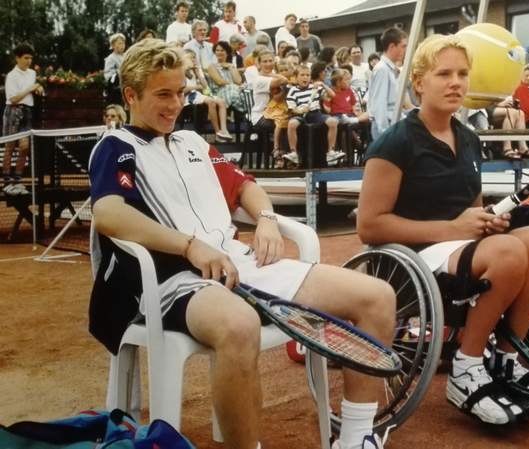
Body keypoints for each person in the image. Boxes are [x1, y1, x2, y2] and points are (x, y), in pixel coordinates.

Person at [88, 38, 396, 449]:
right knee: (239, 325)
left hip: (238, 262)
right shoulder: (117, 148)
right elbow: (108, 212)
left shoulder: (194, 143)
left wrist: (266, 219)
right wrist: (189, 246)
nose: (175, 104)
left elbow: (245, 186)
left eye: (180, 92)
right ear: (130, 94)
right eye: (163, 94)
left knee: (377, 296)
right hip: (173, 279)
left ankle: (357, 438)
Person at [357, 34, 529, 426]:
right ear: (419, 82)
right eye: (443, 73)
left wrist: (486, 220)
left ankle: (505, 359)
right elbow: (369, 226)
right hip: (407, 257)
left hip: (459, 246)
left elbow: (471, 205)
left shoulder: (468, 138)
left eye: (463, 74)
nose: (456, 82)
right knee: (509, 252)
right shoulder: (394, 143)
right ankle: (466, 369)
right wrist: (453, 227)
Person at [2, 42, 43, 195]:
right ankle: (7, 181)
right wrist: (30, 89)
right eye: (25, 58)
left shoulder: (32, 73)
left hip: (27, 112)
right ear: (17, 58)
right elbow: (13, 99)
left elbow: (32, 92)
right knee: (10, 147)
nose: (28, 61)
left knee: (25, 147)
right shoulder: (11, 76)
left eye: (30, 58)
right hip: (13, 112)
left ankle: (18, 180)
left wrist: (38, 88)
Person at [284, 64, 344, 167]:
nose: (305, 77)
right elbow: (292, 108)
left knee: (333, 122)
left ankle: (330, 152)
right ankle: (293, 152)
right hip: (300, 115)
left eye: (307, 75)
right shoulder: (292, 91)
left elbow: (332, 96)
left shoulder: (315, 88)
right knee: (292, 124)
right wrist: (301, 110)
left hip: (315, 113)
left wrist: (323, 85)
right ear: (296, 77)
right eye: (302, 75)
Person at [367, 27, 407, 140]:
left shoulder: (389, 69)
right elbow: (379, 103)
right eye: (403, 46)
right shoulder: (382, 69)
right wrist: (385, 133)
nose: (405, 50)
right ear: (392, 46)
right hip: (387, 128)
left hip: (393, 124)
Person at [184, 49, 234, 141]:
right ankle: (217, 132)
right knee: (211, 102)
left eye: (195, 58)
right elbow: (182, 90)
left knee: (221, 101)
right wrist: (196, 86)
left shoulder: (196, 70)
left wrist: (198, 73)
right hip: (187, 97)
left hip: (198, 94)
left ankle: (224, 130)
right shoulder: (181, 71)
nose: (194, 60)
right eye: (191, 58)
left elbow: (205, 88)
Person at [206, 41, 246, 113]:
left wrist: (231, 67)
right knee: (233, 89)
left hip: (234, 90)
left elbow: (238, 81)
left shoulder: (230, 65)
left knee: (241, 91)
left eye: (222, 50)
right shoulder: (212, 66)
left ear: (227, 52)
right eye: (217, 50)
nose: (219, 52)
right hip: (219, 92)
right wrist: (233, 84)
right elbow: (219, 82)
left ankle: (241, 111)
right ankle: (243, 110)